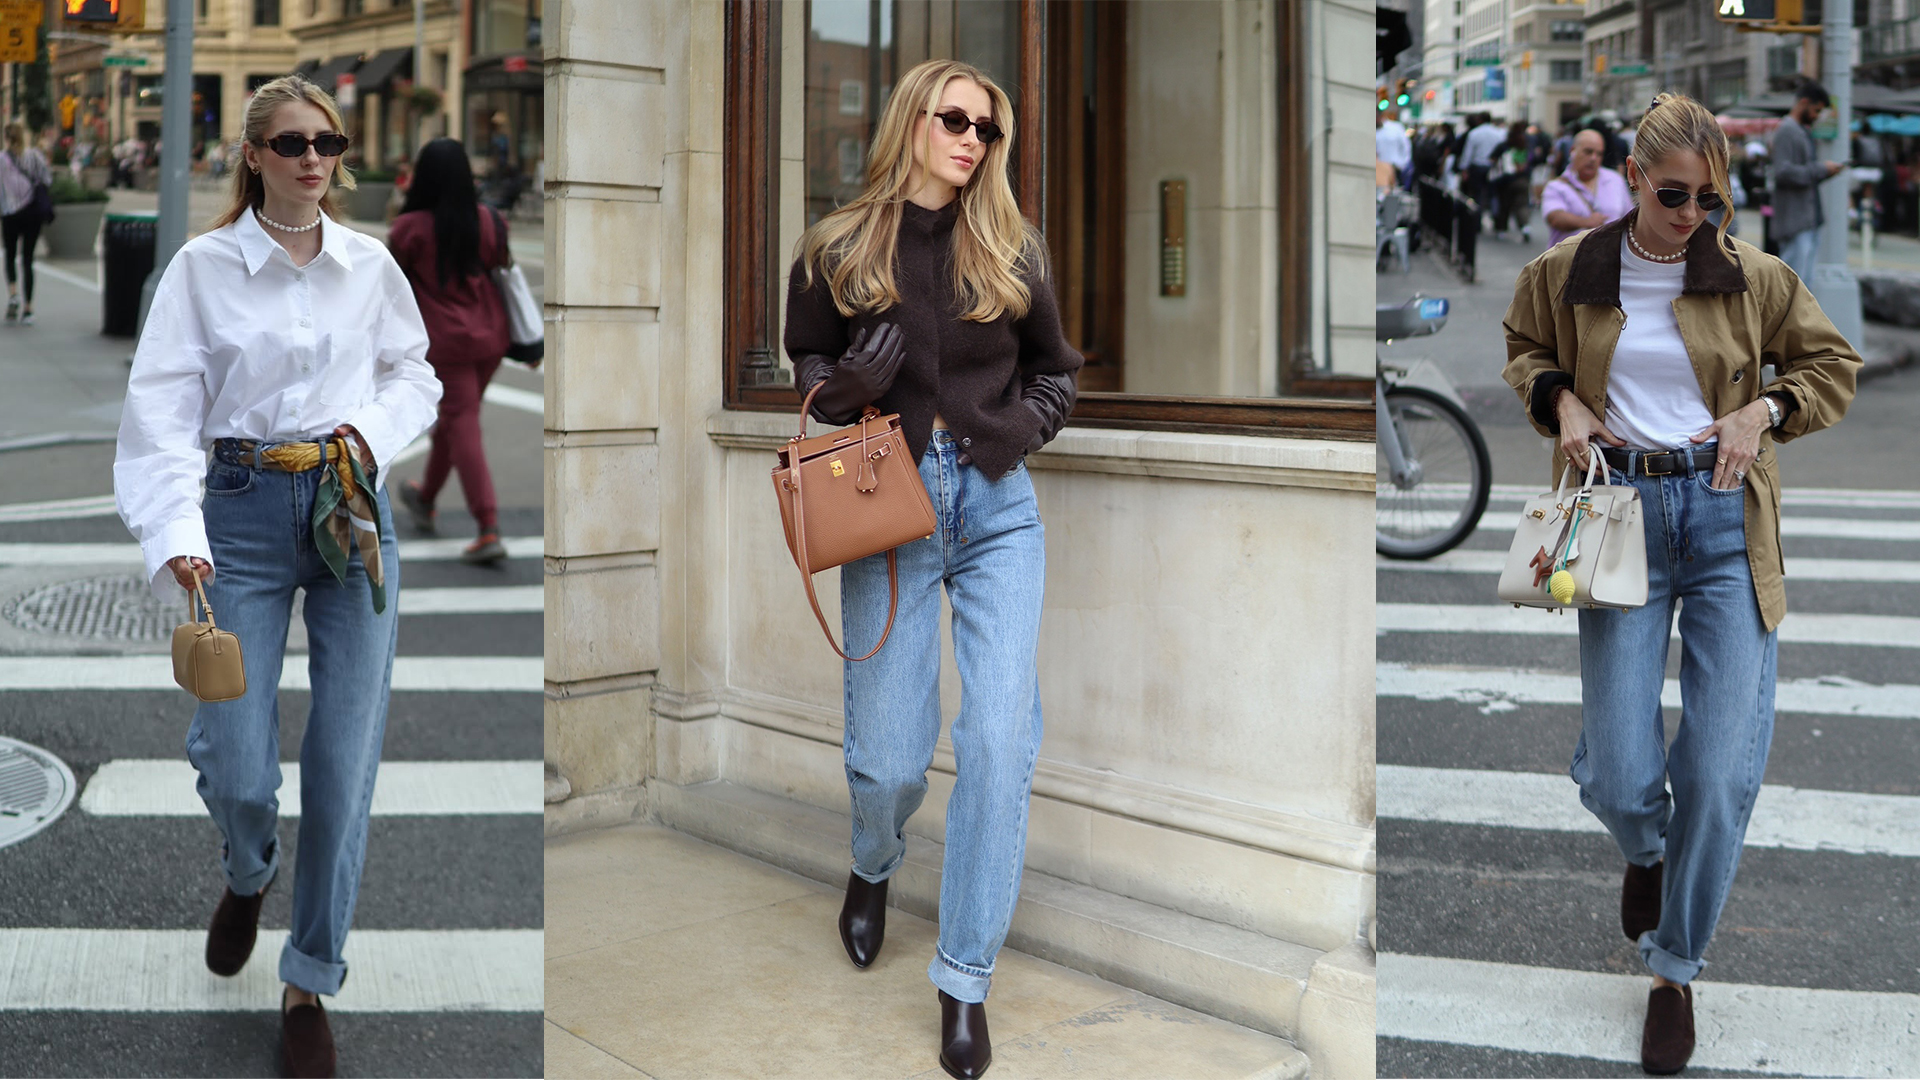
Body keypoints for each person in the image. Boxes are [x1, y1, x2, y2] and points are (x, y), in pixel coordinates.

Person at [1502, 92, 1859, 1076]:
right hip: (1616, 518)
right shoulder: (1570, 271)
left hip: (1723, 519)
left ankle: (1674, 970)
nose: (1692, 214)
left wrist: (1767, 413)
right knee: (1620, 773)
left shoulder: (1753, 278)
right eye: (1672, 195)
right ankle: (1646, 851)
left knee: (1718, 771)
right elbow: (1524, 349)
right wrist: (1563, 402)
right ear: (1631, 178)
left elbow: (1833, 367)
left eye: (1710, 197)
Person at [111, 74, 441, 1079]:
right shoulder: (203, 271)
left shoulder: (371, 265)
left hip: (350, 511)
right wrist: (177, 528)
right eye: (291, 142)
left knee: (345, 759)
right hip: (239, 515)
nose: (313, 158)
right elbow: (163, 410)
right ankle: (248, 868)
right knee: (240, 763)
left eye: (328, 142)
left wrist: (366, 437)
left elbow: (413, 375)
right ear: (252, 154)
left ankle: (309, 978)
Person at [781, 57, 1081, 1080]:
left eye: (988, 130)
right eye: (955, 120)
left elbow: (1056, 371)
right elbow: (808, 369)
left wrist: (1019, 431)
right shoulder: (836, 244)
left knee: (999, 740)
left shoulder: (1010, 246)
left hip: (997, 508)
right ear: (911, 122)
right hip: (885, 504)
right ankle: (873, 863)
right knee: (893, 760)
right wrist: (846, 385)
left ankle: (964, 981)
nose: (972, 141)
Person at [390, 137, 514, 563]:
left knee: (462, 424)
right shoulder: (492, 221)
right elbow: (500, 266)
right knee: (457, 420)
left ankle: (488, 526)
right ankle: (425, 497)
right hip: (492, 339)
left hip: (447, 342)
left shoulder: (409, 229)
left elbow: (394, 291)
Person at [1770, 81, 1846, 282]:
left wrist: (1824, 172)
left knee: (1804, 282)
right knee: (1794, 282)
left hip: (1807, 218)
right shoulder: (1787, 130)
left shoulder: (1800, 130)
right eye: (1816, 110)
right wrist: (1821, 169)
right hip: (1796, 220)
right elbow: (1783, 172)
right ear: (1803, 102)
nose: (1816, 116)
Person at [1540, 127, 1633, 248]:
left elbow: (1630, 217)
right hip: (1570, 262)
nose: (1593, 158)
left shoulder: (1615, 180)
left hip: (1611, 261)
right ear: (1573, 150)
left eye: (1599, 154)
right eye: (1588, 152)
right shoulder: (1556, 186)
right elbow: (1555, 218)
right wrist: (1587, 222)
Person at [0, 120, 53, 326]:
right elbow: (47, 180)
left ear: (6, 137)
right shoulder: (34, 156)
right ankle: (28, 308)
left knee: (10, 256)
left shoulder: (2, 159)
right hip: (32, 213)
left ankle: (13, 294)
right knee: (28, 259)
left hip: (10, 214)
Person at [1377, 109, 1413, 189]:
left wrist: (1402, 164)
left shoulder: (1396, 128)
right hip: (1379, 170)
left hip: (1395, 168)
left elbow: (1406, 147)